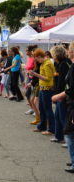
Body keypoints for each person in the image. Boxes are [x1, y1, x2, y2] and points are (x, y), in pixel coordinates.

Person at [52, 41, 74, 173]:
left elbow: (71, 89)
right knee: (69, 131)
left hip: (70, 102)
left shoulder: (68, 65)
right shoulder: (69, 65)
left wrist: (58, 95)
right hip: (69, 101)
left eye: (69, 49)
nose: (67, 51)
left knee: (70, 133)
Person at [30, 48, 55, 135]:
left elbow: (48, 78)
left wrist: (36, 74)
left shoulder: (47, 64)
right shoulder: (44, 63)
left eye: (36, 59)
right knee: (42, 109)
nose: (36, 61)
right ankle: (42, 126)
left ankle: (51, 129)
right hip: (43, 88)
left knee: (47, 110)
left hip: (47, 89)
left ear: (39, 56)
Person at [50, 45, 70, 143]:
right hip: (58, 94)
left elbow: (63, 82)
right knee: (57, 116)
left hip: (62, 95)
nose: (52, 56)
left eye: (53, 54)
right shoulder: (58, 64)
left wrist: (59, 95)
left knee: (63, 117)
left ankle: (68, 139)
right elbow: (56, 79)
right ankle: (58, 136)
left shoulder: (64, 64)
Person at [24, 45, 37, 115]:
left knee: (35, 94)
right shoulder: (28, 58)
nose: (26, 52)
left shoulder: (34, 58)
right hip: (28, 77)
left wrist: (32, 72)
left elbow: (36, 68)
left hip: (34, 78)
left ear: (30, 51)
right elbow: (27, 67)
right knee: (27, 94)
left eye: (27, 50)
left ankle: (36, 109)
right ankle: (32, 108)